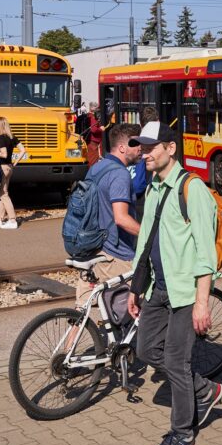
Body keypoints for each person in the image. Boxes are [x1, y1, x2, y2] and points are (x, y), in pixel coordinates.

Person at [126, 122, 222, 445]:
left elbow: (205, 254)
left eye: (152, 147)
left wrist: (201, 303)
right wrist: (135, 288)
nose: (145, 152)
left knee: (175, 363)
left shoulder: (192, 189)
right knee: (146, 349)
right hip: (157, 288)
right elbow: (146, 240)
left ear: (171, 149)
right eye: (142, 147)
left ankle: (183, 432)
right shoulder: (153, 186)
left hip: (184, 293)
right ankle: (206, 389)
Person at [74, 123, 142, 313]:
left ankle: (68, 344)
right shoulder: (120, 175)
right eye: (136, 144)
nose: (140, 149)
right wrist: (150, 234)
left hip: (91, 249)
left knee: (81, 312)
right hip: (115, 255)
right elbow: (121, 218)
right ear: (122, 147)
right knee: (140, 303)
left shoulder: (97, 168)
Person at [0, 116, 25, 230]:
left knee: (3, 194)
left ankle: (12, 220)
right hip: (10, 167)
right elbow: (23, 150)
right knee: (3, 192)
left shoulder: (1, 138)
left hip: (2, 168)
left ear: (0, 126)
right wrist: (15, 162)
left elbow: (4, 154)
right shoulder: (13, 137)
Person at [84, 102, 104, 166]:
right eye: (97, 108)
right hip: (94, 142)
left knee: (90, 160)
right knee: (93, 162)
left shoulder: (86, 116)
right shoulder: (93, 117)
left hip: (88, 141)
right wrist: (101, 129)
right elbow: (94, 130)